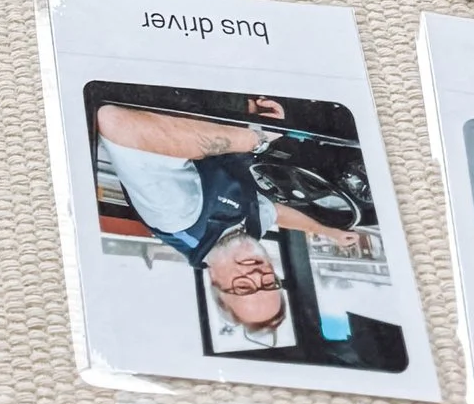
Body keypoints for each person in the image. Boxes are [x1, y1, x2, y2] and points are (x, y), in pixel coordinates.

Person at [93, 95, 399, 366]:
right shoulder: (243, 235)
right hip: (232, 121)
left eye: (244, 288)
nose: (256, 275)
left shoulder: (178, 216)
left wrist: (256, 137)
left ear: (215, 281)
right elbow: (276, 213)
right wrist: (326, 231)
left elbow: (114, 121)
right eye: (269, 283)